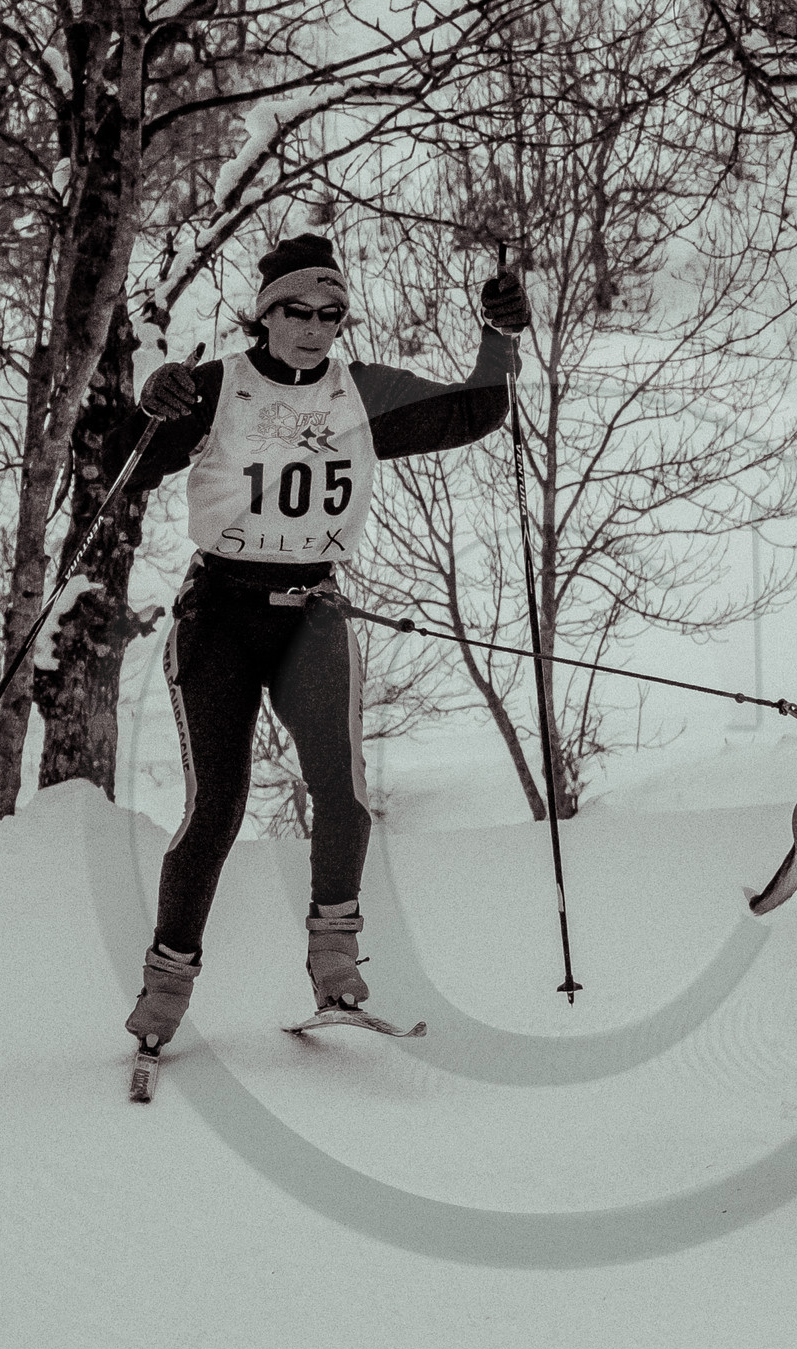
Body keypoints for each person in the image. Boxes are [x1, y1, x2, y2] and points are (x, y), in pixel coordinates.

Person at [117, 232, 529, 1050]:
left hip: (312, 611)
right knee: (217, 806)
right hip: (220, 615)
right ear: (265, 314)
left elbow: (474, 411)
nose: (315, 327)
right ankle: (167, 985)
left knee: (340, 791)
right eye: (298, 311)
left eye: (332, 314)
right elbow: (133, 462)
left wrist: (503, 336)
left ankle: (335, 962)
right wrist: (154, 397)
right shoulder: (217, 386)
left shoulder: (361, 391)